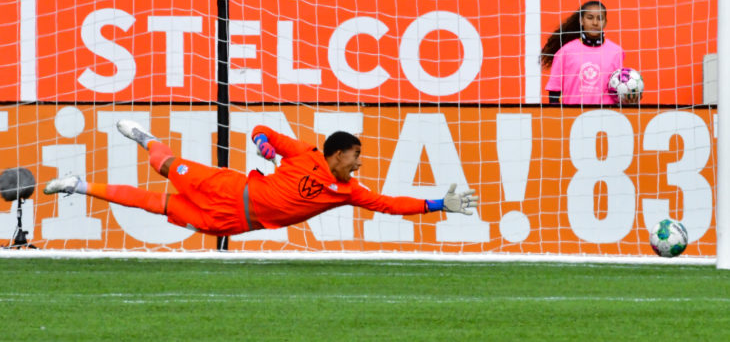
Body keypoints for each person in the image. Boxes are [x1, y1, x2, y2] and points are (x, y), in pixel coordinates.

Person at [43, 120, 478, 236]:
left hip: (232, 222)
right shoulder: (306, 152)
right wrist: (263, 144)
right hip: (229, 187)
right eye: (357, 157)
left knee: (151, 204)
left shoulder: (348, 193)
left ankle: (77, 185)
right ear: (338, 152)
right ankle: (146, 137)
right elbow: (262, 131)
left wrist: (439, 204)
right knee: (163, 163)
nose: (360, 165)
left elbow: (390, 204)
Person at [540, 0, 634, 105]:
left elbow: (619, 87)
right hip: (573, 116)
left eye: (600, 18)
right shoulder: (565, 52)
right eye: (590, 18)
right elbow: (554, 92)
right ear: (581, 21)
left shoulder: (616, 52)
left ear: (605, 22)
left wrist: (629, 97)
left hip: (606, 115)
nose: (595, 23)